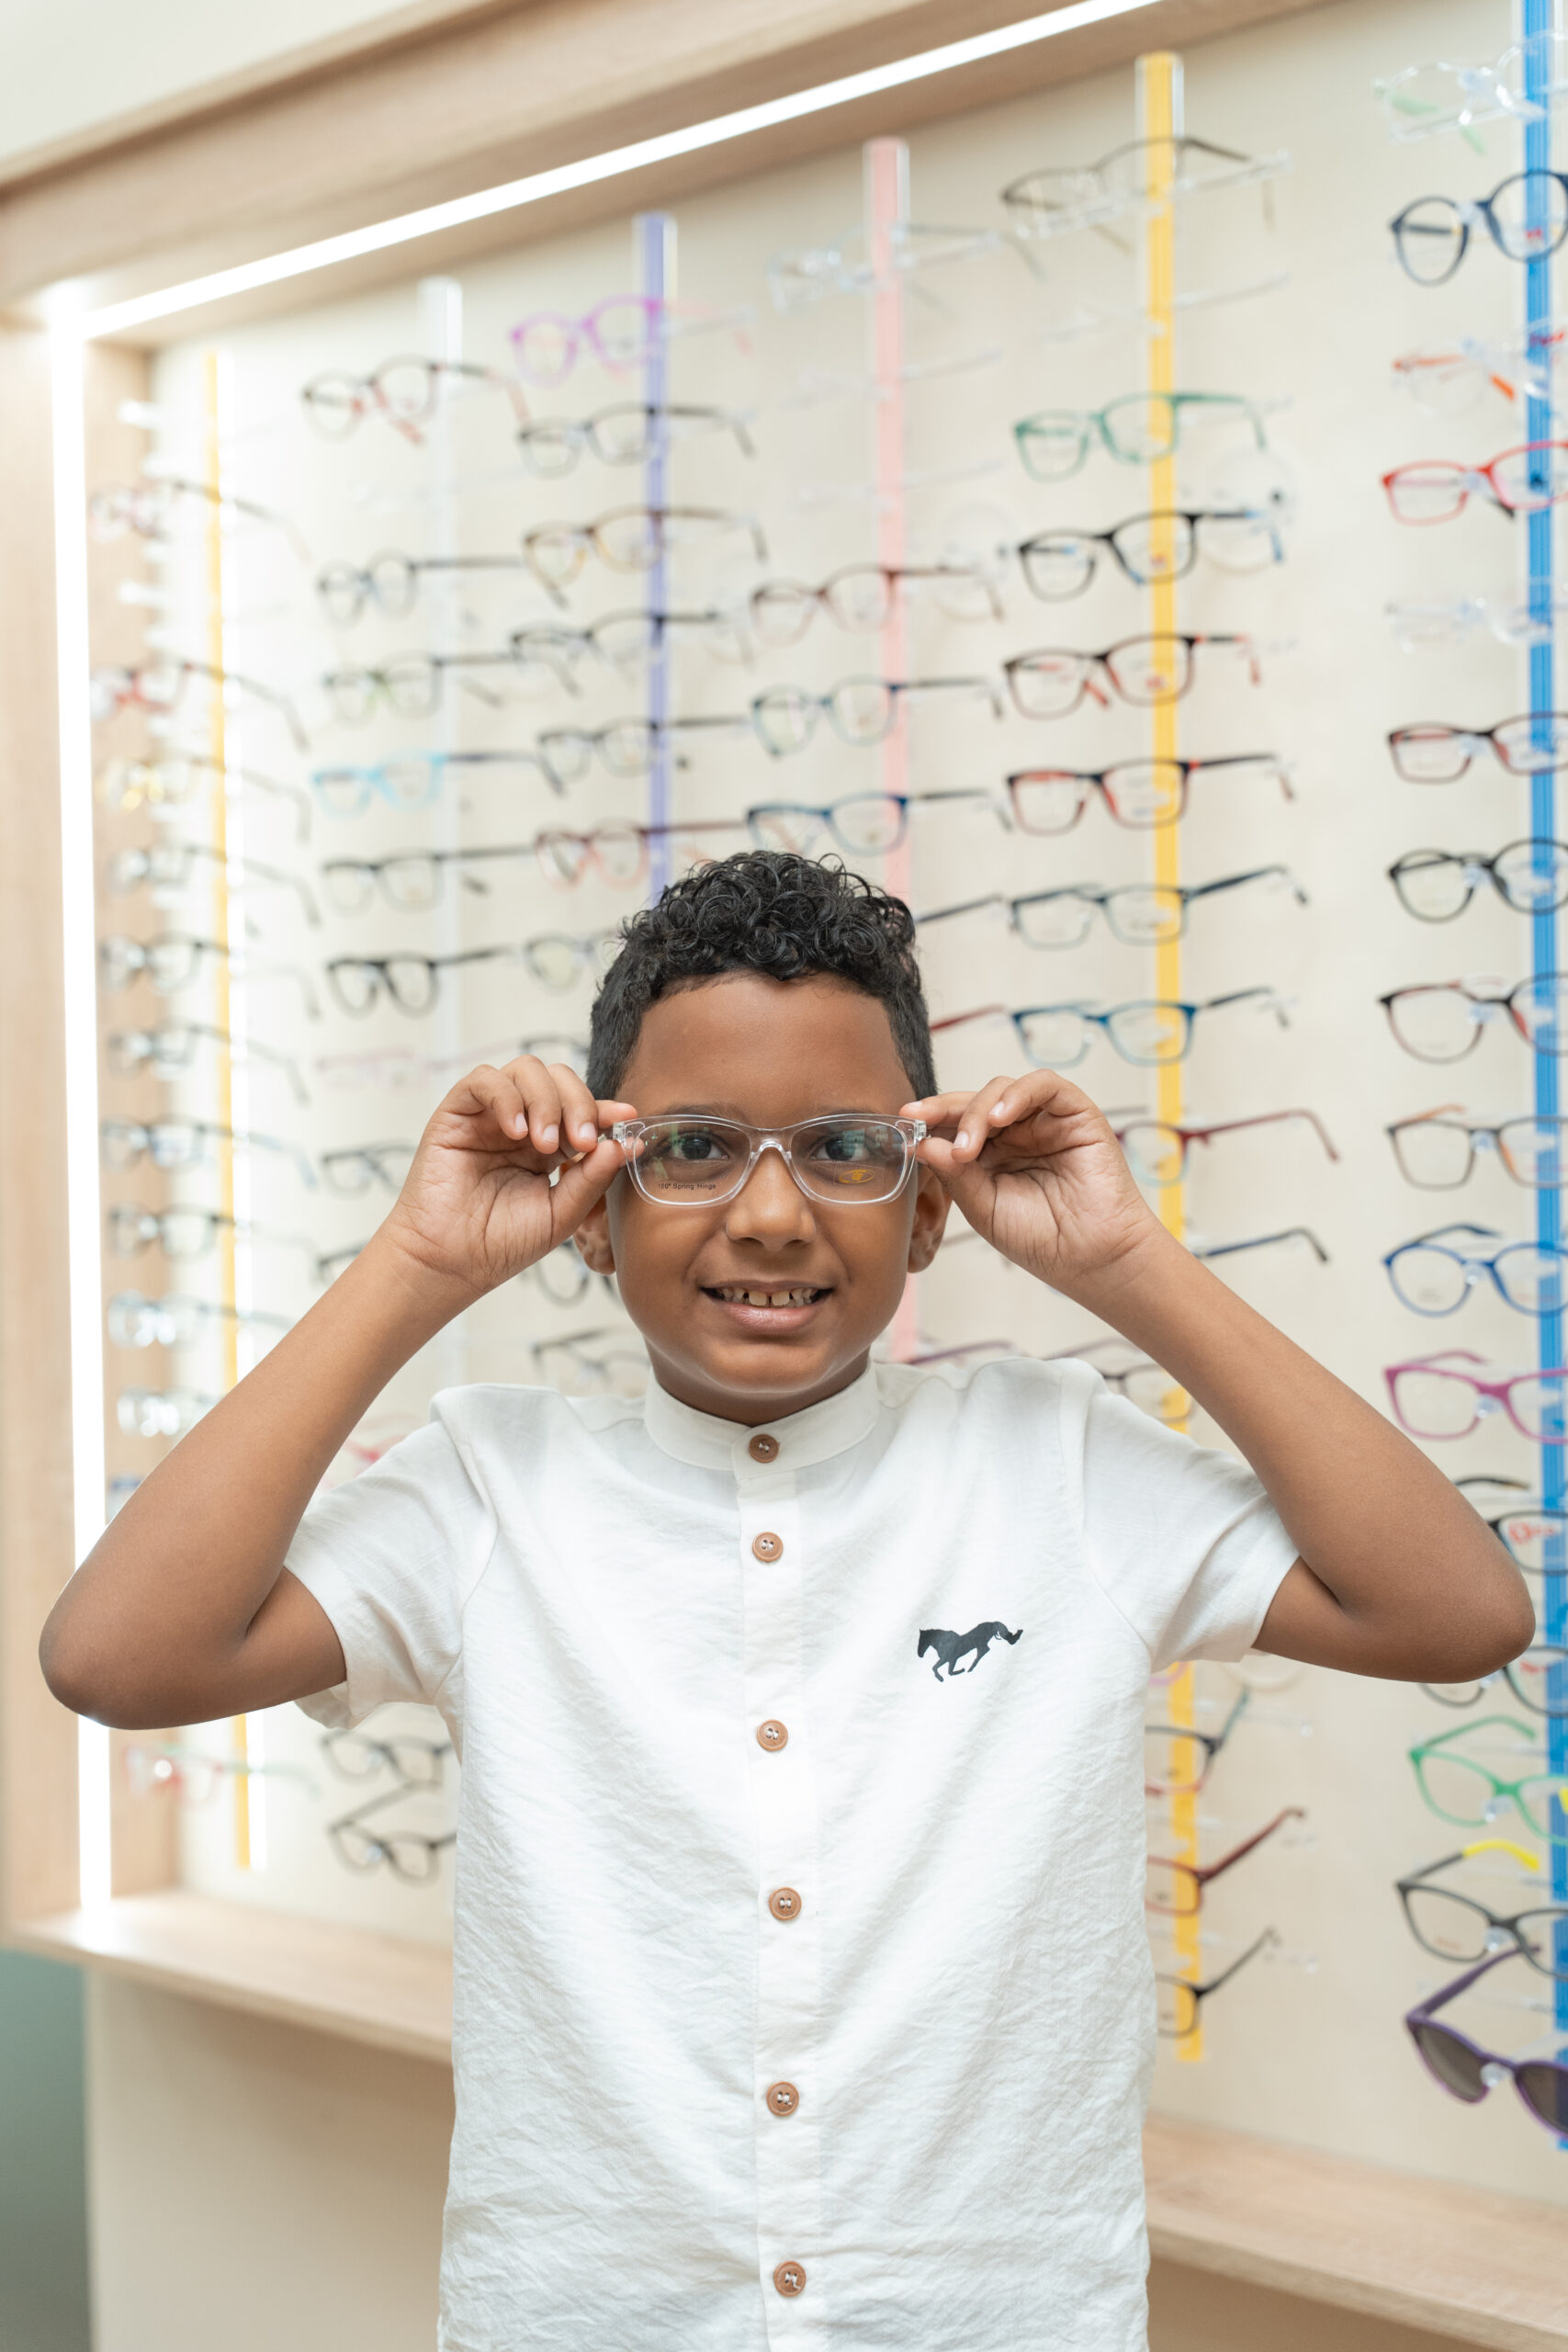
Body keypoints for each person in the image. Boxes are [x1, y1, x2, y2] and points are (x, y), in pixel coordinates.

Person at [42, 851, 1531, 2352]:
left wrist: (1128, 1262)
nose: (769, 1214)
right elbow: (118, 1656)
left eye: (842, 1149)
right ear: (590, 1207)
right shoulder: (489, 1488)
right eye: (692, 1148)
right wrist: (418, 1263)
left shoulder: (1059, 1463)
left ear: (930, 1209)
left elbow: (1456, 1613)